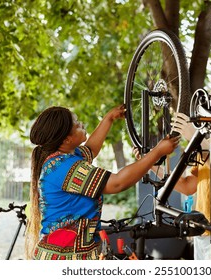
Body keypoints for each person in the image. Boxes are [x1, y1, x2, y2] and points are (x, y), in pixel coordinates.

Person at [25, 104, 180, 260]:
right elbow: (118, 183)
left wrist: (109, 118)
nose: (82, 124)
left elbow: (91, 149)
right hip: (63, 258)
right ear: (66, 139)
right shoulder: (65, 168)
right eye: (77, 124)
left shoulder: (67, 156)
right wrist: (157, 152)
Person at [135, 77, 211, 260]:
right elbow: (187, 185)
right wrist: (150, 164)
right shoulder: (209, 138)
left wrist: (195, 136)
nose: (209, 100)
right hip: (204, 234)